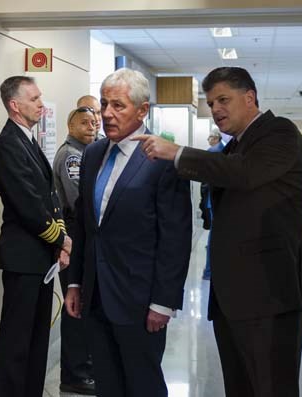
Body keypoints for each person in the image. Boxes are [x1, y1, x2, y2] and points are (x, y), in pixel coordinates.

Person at [133, 66, 302, 397]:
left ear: (250, 97)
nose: (215, 109)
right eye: (211, 102)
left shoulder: (280, 133)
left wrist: (177, 153)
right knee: (240, 385)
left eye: (223, 100)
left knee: (272, 386)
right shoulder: (234, 147)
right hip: (235, 297)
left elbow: (243, 173)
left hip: (271, 293)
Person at [65, 68, 192, 397]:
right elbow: (85, 225)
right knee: (108, 383)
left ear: (142, 110)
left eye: (117, 106)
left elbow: (175, 239)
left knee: (143, 383)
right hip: (96, 296)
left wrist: (163, 303)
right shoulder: (93, 154)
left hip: (139, 300)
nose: (106, 114)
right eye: (103, 104)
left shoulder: (163, 158)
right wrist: (76, 281)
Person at [0, 76, 72, 397]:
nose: (41, 103)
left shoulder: (27, 139)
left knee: (37, 337)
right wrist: (61, 240)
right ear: (15, 105)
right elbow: (29, 206)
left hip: (40, 257)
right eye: (34, 99)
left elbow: (51, 197)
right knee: (16, 340)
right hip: (23, 257)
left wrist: (59, 241)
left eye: (40, 97)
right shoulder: (8, 145)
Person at [52, 106, 97, 395]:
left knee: (82, 305)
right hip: (73, 234)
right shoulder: (72, 156)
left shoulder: (86, 153)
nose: (91, 126)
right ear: (70, 125)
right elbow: (79, 199)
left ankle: (85, 366)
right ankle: (74, 374)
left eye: (94, 122)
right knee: (74, 306)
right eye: (84, 122)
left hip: (82, 235)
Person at [200, 128, 225, 280]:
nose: (209, 139)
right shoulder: (214, 152)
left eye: (211, 136)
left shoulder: (216, 151)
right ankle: (209, 271)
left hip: (216, 200)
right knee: (215, 236)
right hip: (215, 200)